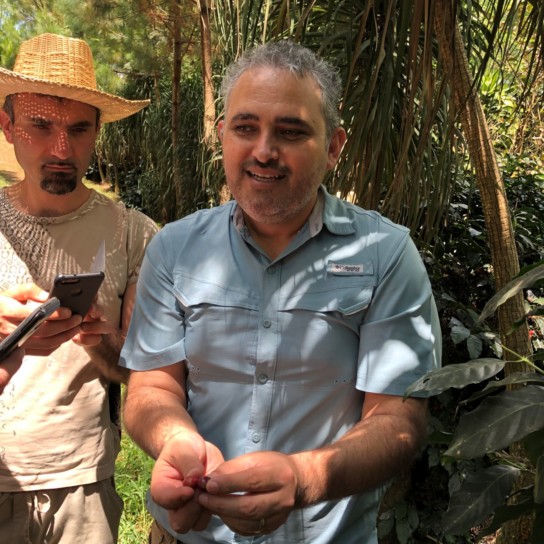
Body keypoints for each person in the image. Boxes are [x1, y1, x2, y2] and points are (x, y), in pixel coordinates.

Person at [121, 40, 441, 544]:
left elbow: (399, 417)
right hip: (189, 533)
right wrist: (176, 438)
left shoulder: (386, 254)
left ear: (334, 147)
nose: (264, 151)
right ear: (222, 135)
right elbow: (151, 388)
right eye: (246, 128)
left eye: (290, 132)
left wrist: (303, 478)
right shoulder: (175, 249)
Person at [0, 33, 158, 543]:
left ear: (96, 134)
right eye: (40, 126)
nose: (61, 150)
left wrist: (103, 337)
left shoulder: (133, 234)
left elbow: (149, 373)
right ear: (7, 125)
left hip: (83, 483)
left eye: (78, 129)